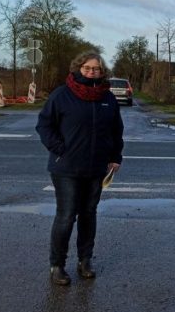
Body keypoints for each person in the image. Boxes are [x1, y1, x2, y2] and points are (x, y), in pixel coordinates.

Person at [36, 52, 124, 286]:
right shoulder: (62, 94)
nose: (92, 72)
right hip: (66, 167)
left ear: (102, 71)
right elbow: (44, 125)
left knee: (89, 214)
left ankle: (85, 260)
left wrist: (115, 156)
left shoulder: (107, 97)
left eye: (96, 69)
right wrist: (59, 148)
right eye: (87, 68)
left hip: (96, 167)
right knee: (66, 216)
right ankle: (57, 265)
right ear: (78, 68)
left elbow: (116, 130)